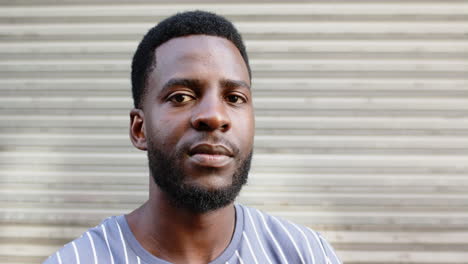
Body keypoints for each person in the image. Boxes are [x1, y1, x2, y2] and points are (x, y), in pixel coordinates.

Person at [43, 11, 342, 264]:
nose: (215, 116)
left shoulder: (305, 254)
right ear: (139, 129)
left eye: (235, 98)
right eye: (181, 96)